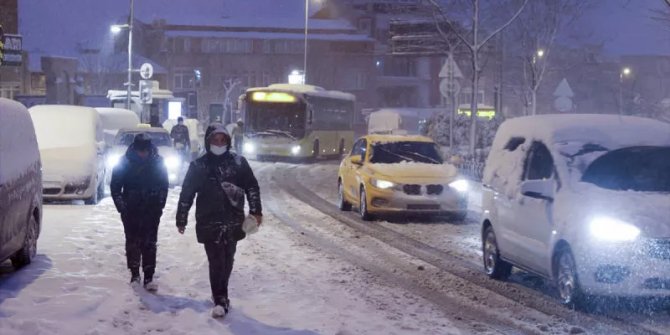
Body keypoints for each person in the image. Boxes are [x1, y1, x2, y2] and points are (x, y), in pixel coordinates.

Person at [176, 124, 262, 318]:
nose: (219, 143)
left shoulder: (239, 163)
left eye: (222, 140)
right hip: (208, 220)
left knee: (228, 258)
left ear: (228, 141)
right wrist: (181, 218)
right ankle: (220, 298)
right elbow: (187, 193)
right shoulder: (199, 166)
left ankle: (221, 293)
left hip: (233, 219)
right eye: (215, 139)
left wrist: (256, 211)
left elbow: (252, 187)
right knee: (215, 260)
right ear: (208, 141)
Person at [111, 134, 169, 291]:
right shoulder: (125, 162)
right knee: (133, 242)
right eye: (140, 150)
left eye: (145, 150)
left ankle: (149, 276)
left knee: (150, 243)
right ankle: (135, 274)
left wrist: (159, 204)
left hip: (151, 209)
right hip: (131, 209)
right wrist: (122, 207)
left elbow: (164, 185)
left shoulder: (157, 162)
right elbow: (115, 187)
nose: (143, 153)